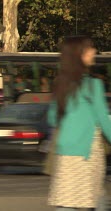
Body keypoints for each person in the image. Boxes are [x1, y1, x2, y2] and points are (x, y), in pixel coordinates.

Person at [47, 36, 111, 211]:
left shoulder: (61, 84)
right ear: (79, 54)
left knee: (67, 201)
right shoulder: (93, 85)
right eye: (89, 48)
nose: (93, 51)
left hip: (65, 154)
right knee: (95, 199)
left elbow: (52, 118)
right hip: (87, 153)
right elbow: (105, 122)